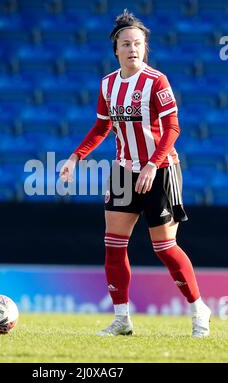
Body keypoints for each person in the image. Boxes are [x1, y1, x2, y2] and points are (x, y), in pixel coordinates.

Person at [59, 9, 211, 338]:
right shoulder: (108, 85)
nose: (132, 49)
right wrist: (75, 157)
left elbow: (173, 128)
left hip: (161, 169)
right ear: (115, 49)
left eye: (138, 44)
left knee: (164, 247)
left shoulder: (157, 82)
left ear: (145, 48)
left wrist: (153, 164)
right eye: (126, 44)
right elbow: (102, 127)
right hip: (124, 171)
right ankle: (122, 319)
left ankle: (199, 309)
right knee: (113, 244)